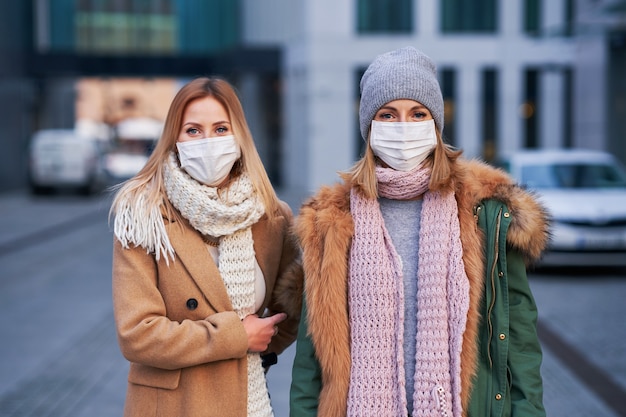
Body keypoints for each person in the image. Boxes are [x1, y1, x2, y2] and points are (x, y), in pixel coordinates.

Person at [289, 46, 549, 417]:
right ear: (369, 127)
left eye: (417, 114)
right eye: (388, 114)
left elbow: (520, 340)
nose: (403, 127)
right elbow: (312, 358)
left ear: (435, 124)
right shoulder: (330, 221)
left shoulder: (483, 215)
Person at [109, 77, 302, 417]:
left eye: (220, 128)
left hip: (247, 401)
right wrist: (236, 339)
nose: (208, 141)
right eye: (193, 130)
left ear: (239, 135)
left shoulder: (271, 217)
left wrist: (258, 354)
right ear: (175, 139)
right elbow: (137, 334)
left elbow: (291, 310)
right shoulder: (144, 215)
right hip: (172, 406)